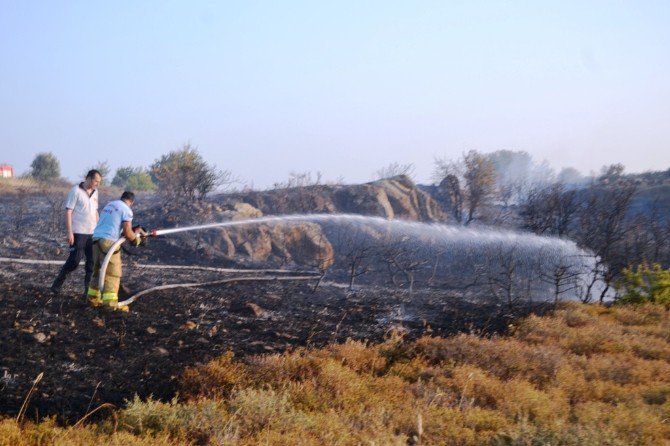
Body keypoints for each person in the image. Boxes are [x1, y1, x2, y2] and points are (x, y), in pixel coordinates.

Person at [87, 191, 146, 311]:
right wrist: (137, 241)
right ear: (131, 202)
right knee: (113, 273)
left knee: (97, 270)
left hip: (96, 239)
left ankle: (93, 299)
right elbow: (128, 233)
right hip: (109, 242)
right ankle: (110, 304)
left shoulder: (110, 205)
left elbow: (113, 225)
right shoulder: (126, 210)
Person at [51, 169, 102, 296]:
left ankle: (87, 291)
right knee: (75, 260)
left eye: (99, 182)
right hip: (78, 231)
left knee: (91, 262)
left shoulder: (96, 192)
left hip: (93, 232)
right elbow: (68, 212)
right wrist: (70, 232)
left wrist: (100, 228)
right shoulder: (76, 191)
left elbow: (95, 211)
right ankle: (58, 283)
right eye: (96, 181)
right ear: (88, 178)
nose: (97, 184)